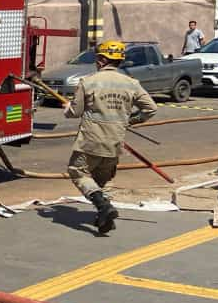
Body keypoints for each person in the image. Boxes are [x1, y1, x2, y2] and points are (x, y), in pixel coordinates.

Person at [64, 40, 157, 234]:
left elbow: (75, 112)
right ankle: (104, 217)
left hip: (90, 140)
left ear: (101, 60)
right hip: (115, 140)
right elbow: (151, 109)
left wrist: (68, 108)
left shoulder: (88, 82)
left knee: (78, 172)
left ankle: (102, 205)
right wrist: (130, 121)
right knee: (104, 180)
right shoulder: (132, 83)